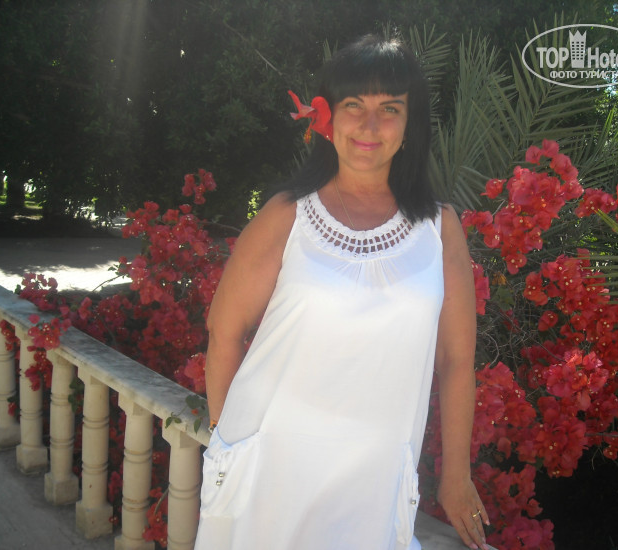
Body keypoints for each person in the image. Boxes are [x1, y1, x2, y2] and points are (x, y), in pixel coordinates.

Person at [194, 34, 489, 550]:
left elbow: (457, 358)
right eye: (354, 105)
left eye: (390, 109)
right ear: (327, 117)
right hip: (269, 467)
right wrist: (227, 445)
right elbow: (223, 331)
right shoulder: (287, 215)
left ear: (410, 124)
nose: (370, 125)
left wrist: (456, 476)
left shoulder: (439, 229)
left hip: (373, 482)